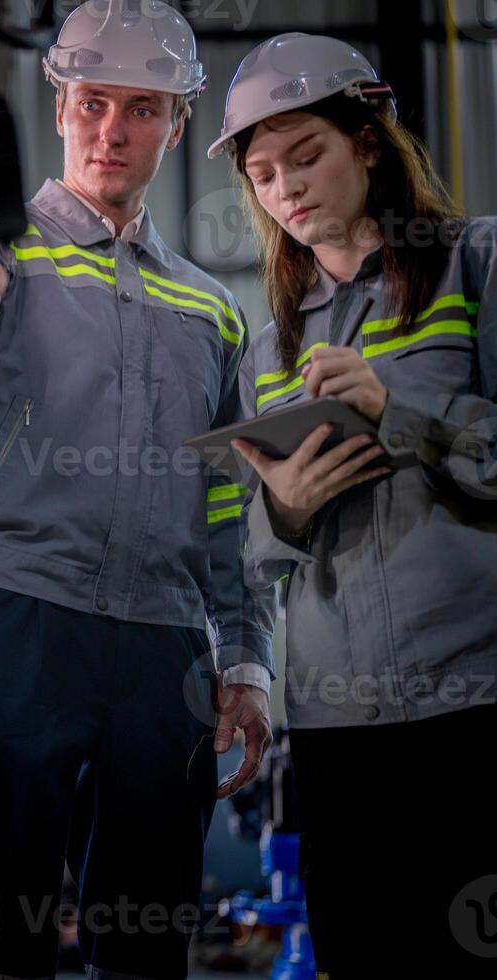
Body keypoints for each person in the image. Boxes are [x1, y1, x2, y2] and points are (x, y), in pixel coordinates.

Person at [0, 3, 278, 978]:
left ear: (178, 123)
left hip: (163, 646)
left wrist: (243, 659)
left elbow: (225, 502)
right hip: (9, 618)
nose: (114, 131)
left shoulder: (209, 304)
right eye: (95, 103)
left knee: (148, 943)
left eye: (143, 109)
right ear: (60, 105)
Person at [209, 32, 497, 976]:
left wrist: (396, 406)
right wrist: (284, 510)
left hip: (472, 702)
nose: (284, 188)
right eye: (261, 174)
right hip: (338, 727)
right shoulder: (267, 350)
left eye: (306, 155)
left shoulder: (473, 267)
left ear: (369, 142)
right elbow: (254, 551)